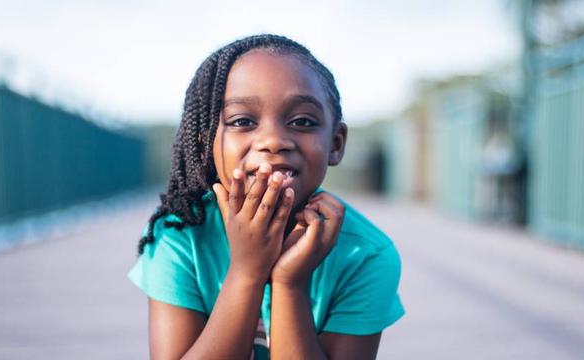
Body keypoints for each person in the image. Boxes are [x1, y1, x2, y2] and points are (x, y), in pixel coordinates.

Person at [127, 34, 405, 359]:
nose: (273, 141)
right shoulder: (178, 237)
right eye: (242, 122)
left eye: (302, 121)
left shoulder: (365, 254)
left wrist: (290, 283)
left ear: (336, 143)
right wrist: (247, 271)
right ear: (206, 145)